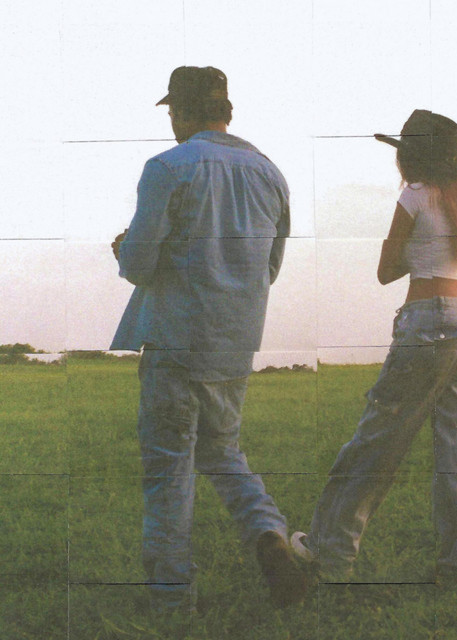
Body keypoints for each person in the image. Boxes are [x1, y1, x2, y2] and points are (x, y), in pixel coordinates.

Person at [110, 66, 308, 613]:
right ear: (227, 111)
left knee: (168, 468)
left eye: (173, 111)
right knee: (223, 451)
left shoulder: (167, 167)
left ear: (180, 111)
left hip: (175, 339)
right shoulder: (270, 172)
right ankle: (268, 534)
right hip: (234, 341)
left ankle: (171, 600)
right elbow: (270, 268)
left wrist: (125, 249)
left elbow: (138, 264)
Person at [291, 110, 457, 580]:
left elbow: (386, 270)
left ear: (410, 156)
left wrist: (413, 249)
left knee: (376, 439)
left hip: (428, 319)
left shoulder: (414, 195)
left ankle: (328, 551)